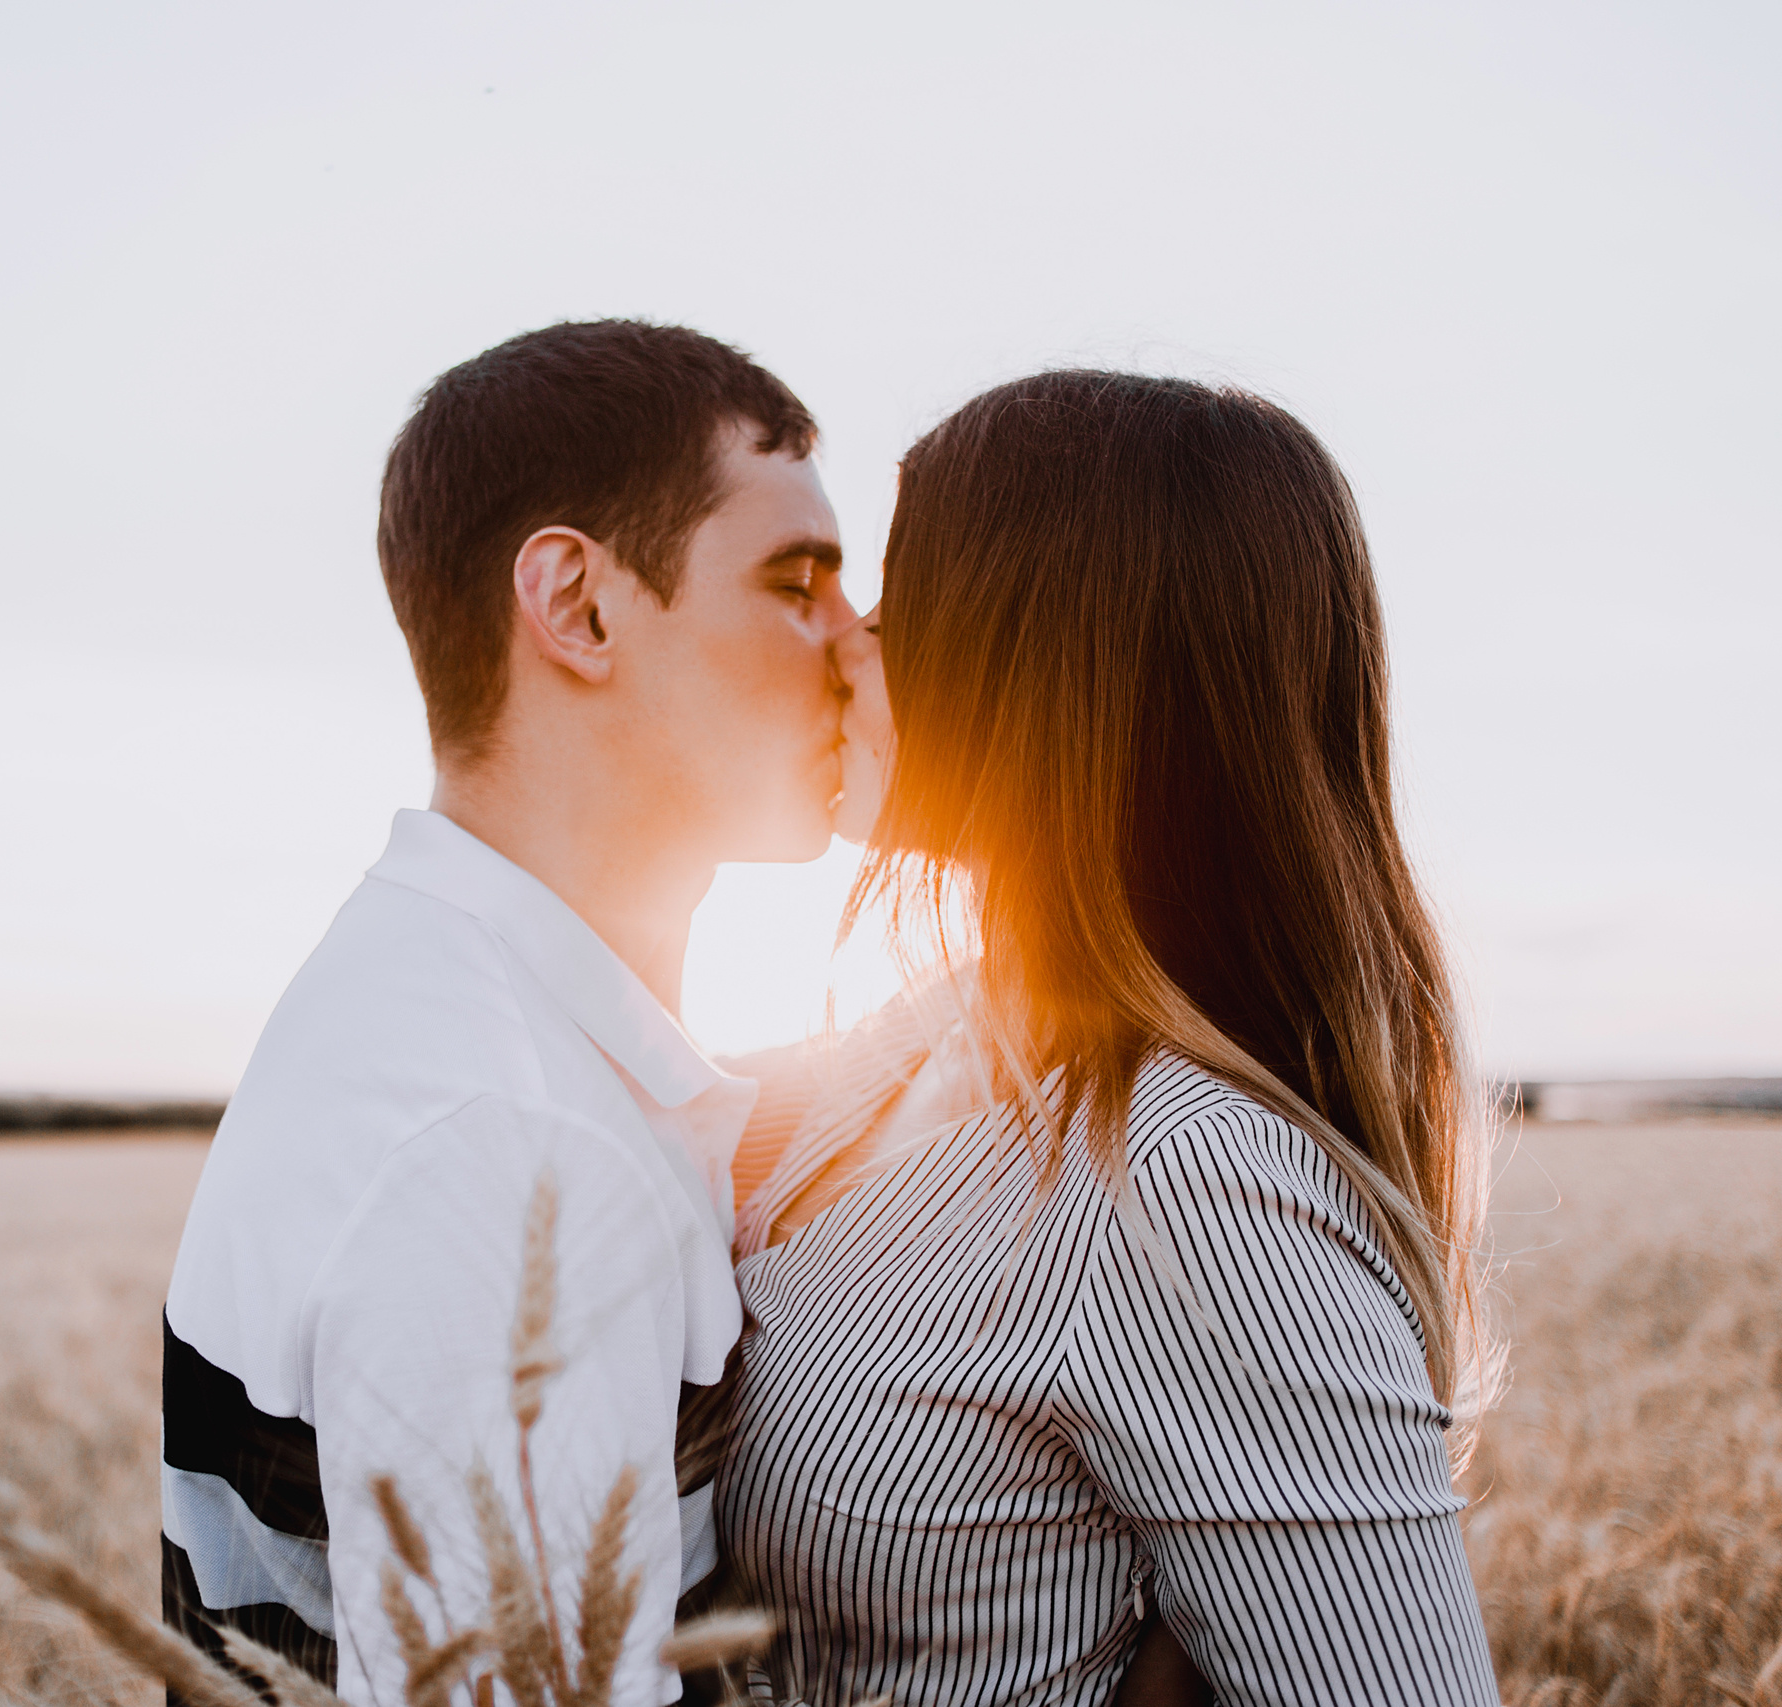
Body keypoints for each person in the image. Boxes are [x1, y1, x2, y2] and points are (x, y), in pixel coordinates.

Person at [719, 371, 1503, 1704]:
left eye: (909, 602)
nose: (846, 638)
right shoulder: (926, 1040)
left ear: (1044, 670)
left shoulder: (1192, 1188)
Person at [160, 320, 860, 1706]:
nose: (858, 644)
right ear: (578, 607)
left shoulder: (463, 1021)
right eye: (797, 584)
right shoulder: (507, 1153)